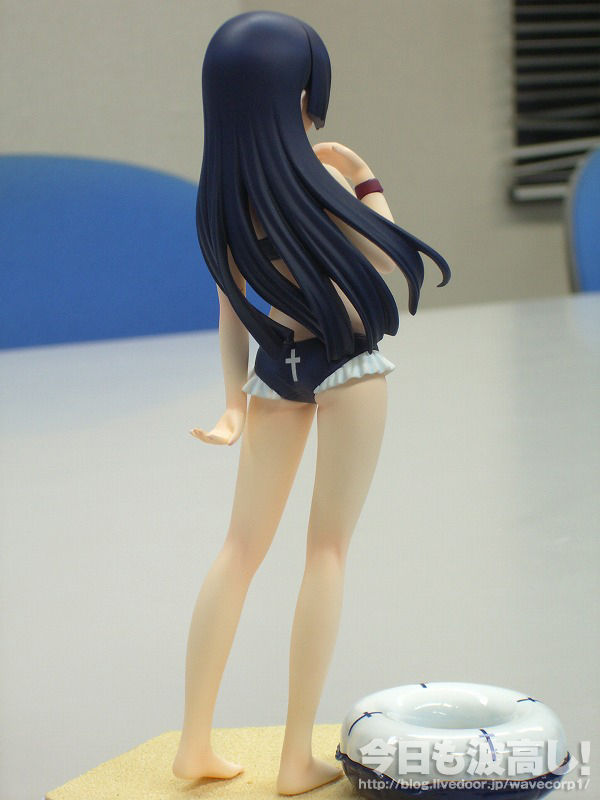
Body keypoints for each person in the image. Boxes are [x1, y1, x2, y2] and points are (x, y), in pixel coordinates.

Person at [172, 10, 450, 795]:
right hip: (347, 364)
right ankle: (296, 758)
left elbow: (232, 310)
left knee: (239, 549)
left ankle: (194, 742)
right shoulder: (323, 178)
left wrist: (234, 403)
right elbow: (384, 260)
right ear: (300, 95)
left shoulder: (231, 200)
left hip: (276, 370)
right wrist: (363, 175)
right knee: (325, 552)